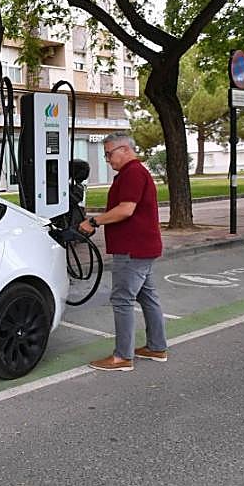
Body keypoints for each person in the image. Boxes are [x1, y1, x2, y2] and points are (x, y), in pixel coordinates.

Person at [78, 133, 168, 372]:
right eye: (105, 154)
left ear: (125, 149)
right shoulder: (134, 173)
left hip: (132, 249)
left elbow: (126, 210)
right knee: (147, 297)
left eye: (109, 153)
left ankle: (122, 357)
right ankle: (156, 347)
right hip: (142, 247)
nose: (107, 159)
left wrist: (94, 222)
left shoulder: (133, 173)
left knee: (122, 299)